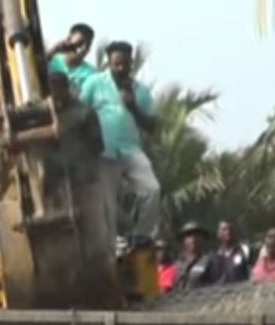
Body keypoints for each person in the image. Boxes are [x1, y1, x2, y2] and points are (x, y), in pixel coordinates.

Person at [79, 41, 161, 241]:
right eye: (116, 64)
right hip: (104, 152)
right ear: (109, 62)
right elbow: (80, 113)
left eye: (124, 64)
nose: (121, 68)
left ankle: (140, 237)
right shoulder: (94, 83)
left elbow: (152, 126)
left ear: (131, 63)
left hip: (131, 150)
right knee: (107, 203)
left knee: (152, 189)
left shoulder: (140, 91)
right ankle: (111, 243)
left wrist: (133, 107)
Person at [172, 221, 225, 290]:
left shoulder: (212, 260)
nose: (193, 239)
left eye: (197, 235)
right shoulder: (178, 265)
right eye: (189, 236)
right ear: (183, 240)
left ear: (202, 238)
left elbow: (219, 286)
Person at [46, 23, 97, 94]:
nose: (83, 49)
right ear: (68, 39)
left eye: (87, 45)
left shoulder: (91, 74)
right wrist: (55, 48)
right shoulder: (52, 59)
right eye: (80, 44)